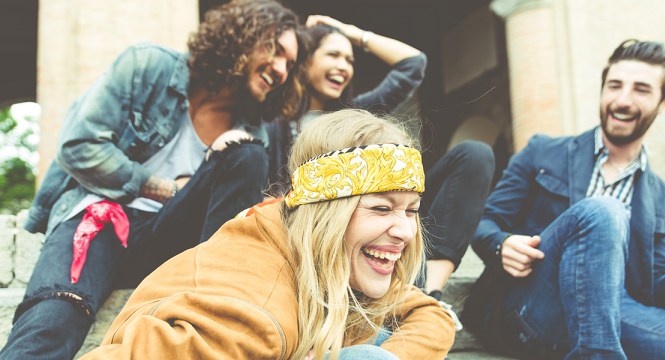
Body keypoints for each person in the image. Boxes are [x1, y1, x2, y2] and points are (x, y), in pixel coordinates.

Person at [0, 1, 304, 359]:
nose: (282, 69)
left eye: (290, 63)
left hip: (172, 246)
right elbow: (78, 146)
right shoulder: (148, 65)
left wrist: (218, 162)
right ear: (242, 36)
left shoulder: (251, 133)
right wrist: (170, 189)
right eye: (275, 49)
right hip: (102, 218)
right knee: (54, 317)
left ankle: (211, 302)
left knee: (247, 153)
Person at [80, 109, 455, 359]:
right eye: (381, 208)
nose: (406, 231)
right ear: (325, 214)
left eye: (411, 210)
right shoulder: (256, 322)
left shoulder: (312, 243)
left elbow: (429, 313)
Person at [460, 39, 665, 359]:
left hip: (615, 315)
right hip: (528, 308)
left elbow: (659, 297)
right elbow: (483, 221)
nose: (622, 100)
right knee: (604, 210)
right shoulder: (542, 151)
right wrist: (501, 244)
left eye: (641, 89)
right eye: (614, 86)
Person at [265, 15, 495, 301]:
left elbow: (413, 64)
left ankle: (428, 293)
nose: (343, 66)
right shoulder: (273, 125)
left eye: (349, 60)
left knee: (475, 155)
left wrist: (352, 33)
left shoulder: (358, 113)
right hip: (318, 233)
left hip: (383, 215)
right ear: (303, 62)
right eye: (333, 55)